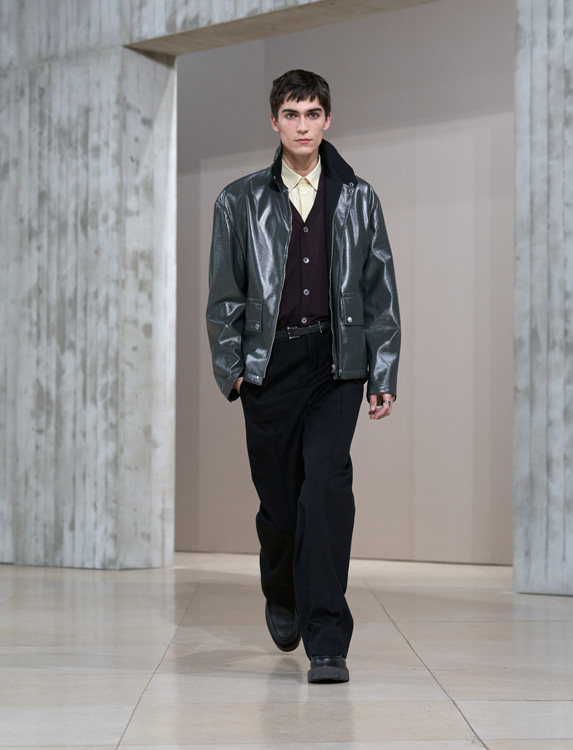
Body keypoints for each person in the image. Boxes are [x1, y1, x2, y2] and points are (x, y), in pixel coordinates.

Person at [206, 69, 400, 683]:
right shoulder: (238, 201)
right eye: (291, 114)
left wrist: (382, 372)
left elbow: (379, 290)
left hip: (337, 366)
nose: (303, 125)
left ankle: (327, 640)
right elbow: (224, 296)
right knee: (281, 505)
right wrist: (234, 370)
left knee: (325, 492)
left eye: (313, 114)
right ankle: (282, 589)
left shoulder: (358, 197)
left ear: (327, 119)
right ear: (275, 121)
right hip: (269, 367)